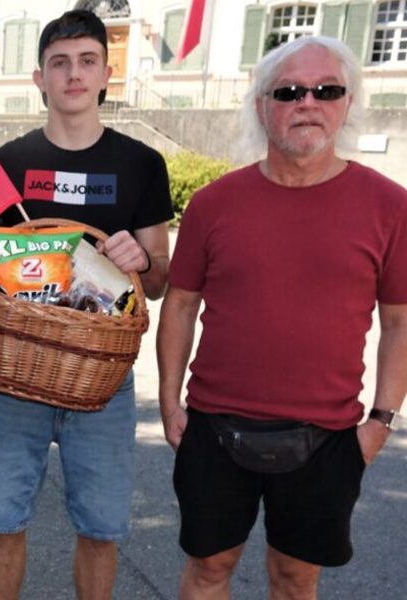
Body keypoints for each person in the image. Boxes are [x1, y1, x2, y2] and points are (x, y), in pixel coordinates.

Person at [157, 34, 407, 600]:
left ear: (348, 102)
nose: (307, 102)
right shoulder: (213, 204)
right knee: (208, 571)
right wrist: (171, 401)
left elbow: (399, 322)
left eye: (327, 90)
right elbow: (179, 304)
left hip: (327, 437)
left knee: (295, 580)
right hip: (215, 429)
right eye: (289, 91)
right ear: (261, 105)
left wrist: (380, 423)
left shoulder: (390, 206)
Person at [0, 10, 173, 600]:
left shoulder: (141, 164)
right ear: (40, 78)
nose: (74, 74)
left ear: (107, 73)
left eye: (87, 61)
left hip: (101, 382)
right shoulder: (6, 164)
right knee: (3, 521)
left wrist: (142, 257)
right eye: (60, 63)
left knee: (101, 529)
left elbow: (160, 281)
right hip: (19, 374)